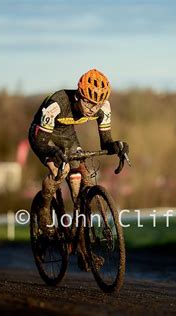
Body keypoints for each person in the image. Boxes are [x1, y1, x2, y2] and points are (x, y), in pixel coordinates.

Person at [28, 69, 129, 270]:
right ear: (79, 95)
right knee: (61, 170)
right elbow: (40, 141)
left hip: (68, 138)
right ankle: (44, 210)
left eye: (97, 104)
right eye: (89, 103)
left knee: (81, 190)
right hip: (42, 136)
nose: (93, 109)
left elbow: (105, 141)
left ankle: (84, 252)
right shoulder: (57, 104)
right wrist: (51, 153)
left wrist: (117, 146)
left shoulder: (103, 107)